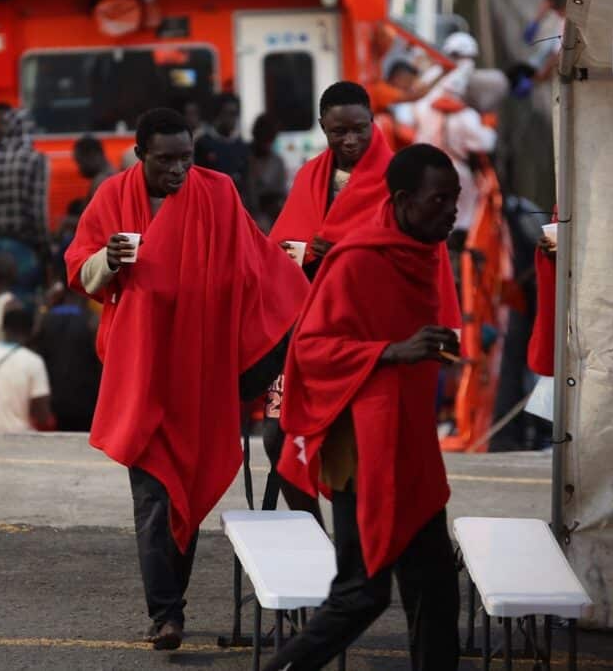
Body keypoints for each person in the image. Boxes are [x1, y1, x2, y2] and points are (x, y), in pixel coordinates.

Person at [64, 108, 308, 650]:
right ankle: (166, 615)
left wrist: (304, 279)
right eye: (165, 160)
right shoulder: (111, 197)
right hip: (143, 370)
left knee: (188, 491)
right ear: (139, 155)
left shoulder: (217, 193)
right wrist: (108, 260)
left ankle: (171, 608)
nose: (178, 170)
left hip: (200, 370)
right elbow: (79, 269)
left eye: (186, 157)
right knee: (154, 492)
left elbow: (257, 265)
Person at [268, 144, 463, 671]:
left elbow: (401, 332)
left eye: (456, 199)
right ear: (402, 201)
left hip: (411, 446)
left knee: (437, 588)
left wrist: (430, 348)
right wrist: (392, 352)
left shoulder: (421, 253)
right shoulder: (359, 259)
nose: (452, 211)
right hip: (362, 449)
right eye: (439, 200)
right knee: (363, 593)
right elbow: (309, 349)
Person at [414, 32, 497, 233]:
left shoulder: (424, 108)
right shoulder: (466, 117)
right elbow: (485, 143)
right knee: (461, 219)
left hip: (423, 169)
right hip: (457, 171)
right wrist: (488, 126)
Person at [0, 109, 49, 302]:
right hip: (23, 246)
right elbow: (38, 210)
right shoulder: (35, 159)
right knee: (21, 306)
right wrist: (45, 246)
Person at [0, 308, 53, 434]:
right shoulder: (34, 362)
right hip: (18, 436)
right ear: (31, 331)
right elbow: (42, 415)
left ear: (3, 328)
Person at [35, 283, 102, 431]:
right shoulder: (92, 321)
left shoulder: (46, 319)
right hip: (86, 403)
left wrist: (44, 306)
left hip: (55, 402)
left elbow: (36, 350)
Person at [193, 92, 248, 197]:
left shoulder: (241, 146)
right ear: (218, 114)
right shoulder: (204, 143)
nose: (232, 119)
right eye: (228, 113)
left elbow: (247, 180)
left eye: (234, 114)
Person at [244, 113, 287, 233]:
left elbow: (282, 194)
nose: (267, 144)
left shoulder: (277, 162)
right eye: (264, 139)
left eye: (270, 139)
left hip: (269, 215)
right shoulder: (245, 158)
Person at [73, 134, 113, 203]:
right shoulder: (112, 174)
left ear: (93, 155)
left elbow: (97, 213)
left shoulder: (101, 181)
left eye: (80, 162)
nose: (80, 169)